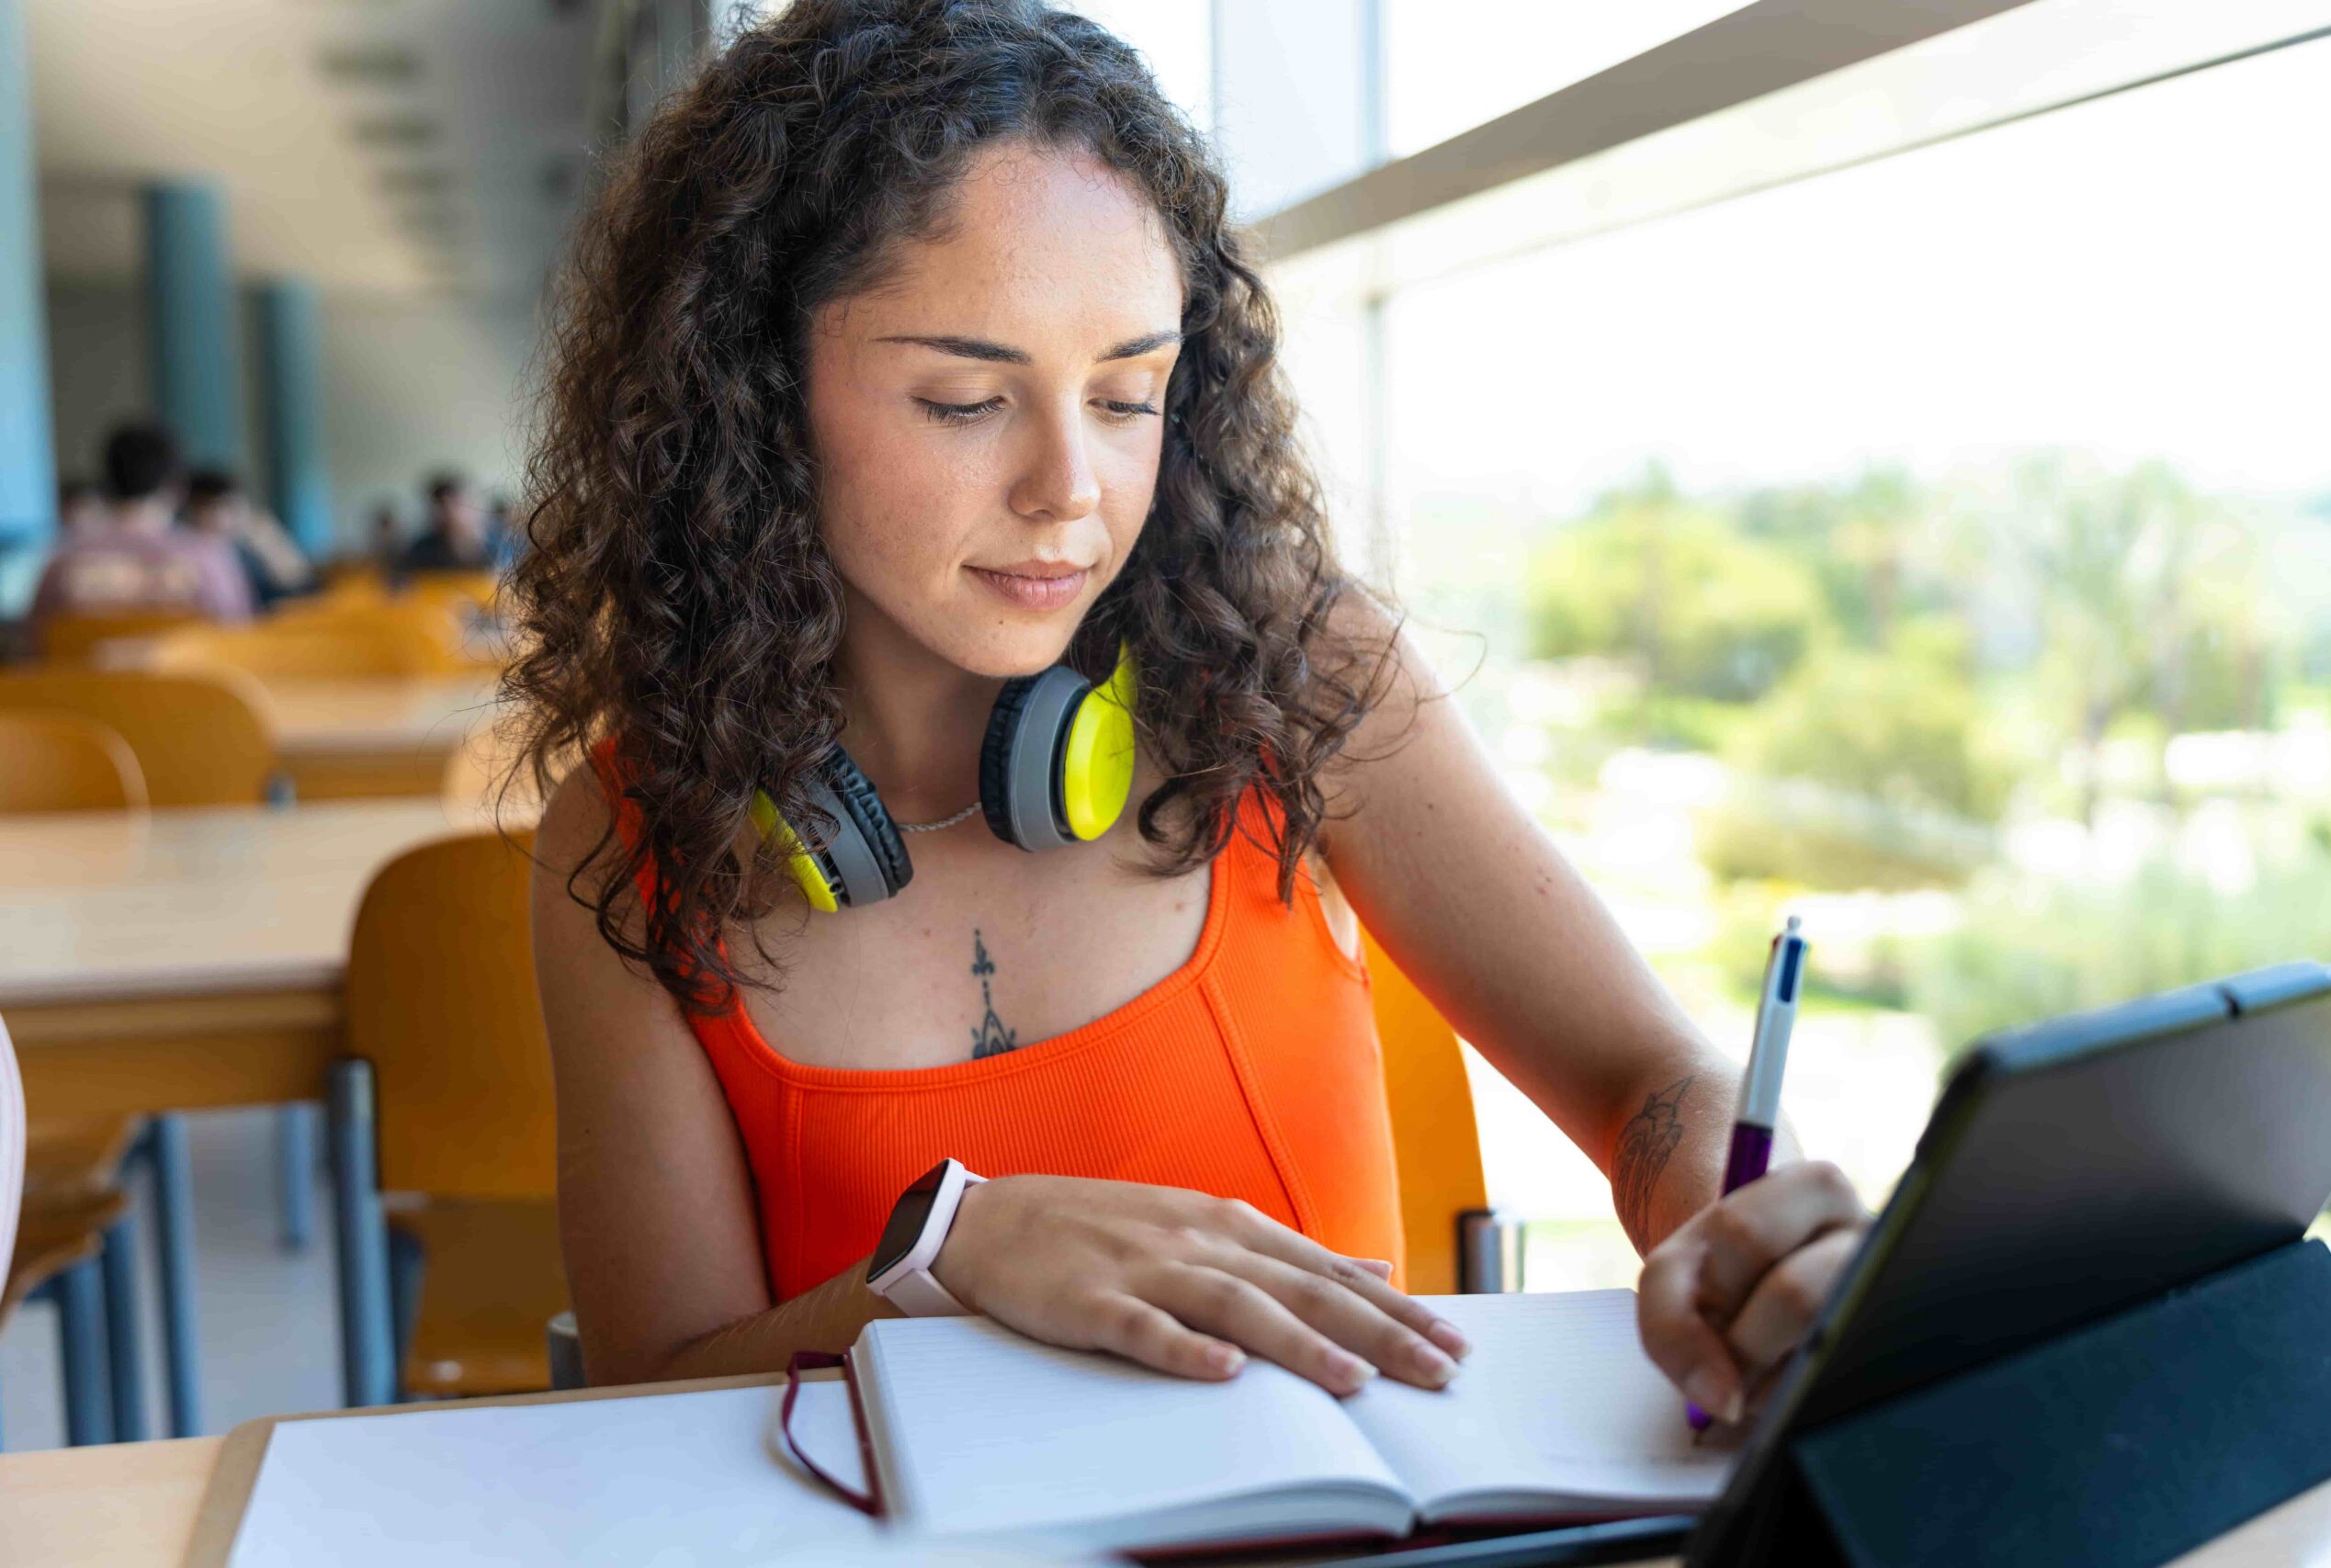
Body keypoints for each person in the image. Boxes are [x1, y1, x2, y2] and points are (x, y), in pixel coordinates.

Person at [513, 0, 1868, 1427]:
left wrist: (1743, 1212)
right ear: (755, 392)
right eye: (968, 398)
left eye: (1127, 392)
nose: (1069, 490)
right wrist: (946, 1265)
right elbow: (650, 1390)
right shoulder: (629, 831)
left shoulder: (1297, 675)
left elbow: (1651, 1080)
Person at [30, 423, 252, 628]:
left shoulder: (63, 559)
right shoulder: (207, 558)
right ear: (175, 486)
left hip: (82, 672)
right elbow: (238, 633)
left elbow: (33, 639)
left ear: (107, 483)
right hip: (188, 671)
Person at [184, 469, 318, 609]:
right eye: (215, 507)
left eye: (234, 505)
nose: (227, 516)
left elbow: (299, 580)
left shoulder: (254, 533)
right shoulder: (195, 547)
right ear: (194, 510)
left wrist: (267, 542)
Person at [397, 473, 493, 575]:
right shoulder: (422, 550)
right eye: (441, 505)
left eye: (456, 503)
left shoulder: (497, 545)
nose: (449, 512)